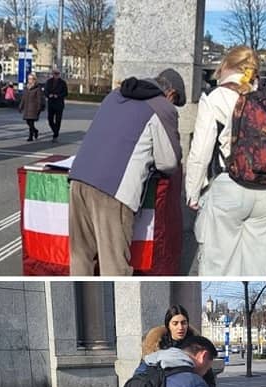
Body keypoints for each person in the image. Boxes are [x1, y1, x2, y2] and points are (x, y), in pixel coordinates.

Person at [68, 69, 186, 275]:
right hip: (114, 190)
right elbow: (169, 161)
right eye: (175, 102)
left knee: (80, 257)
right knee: (114, 266)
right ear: (171, 94)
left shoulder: (115, 95)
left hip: (79, 178)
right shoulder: (162, 107)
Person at [184, 46, 266, 276]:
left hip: (229, 187)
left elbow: (200, 153)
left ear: (226, 66)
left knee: (218, 268)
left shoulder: (215, 98)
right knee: (259, 269)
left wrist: (192, 192)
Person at [142, 305, 217, 387]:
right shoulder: (156, 347)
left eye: (184, 323)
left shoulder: (197, 345)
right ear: (168, 325)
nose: (180, 327)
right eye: (175, 323)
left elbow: (209, 378)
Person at [45, 69, 69, 142]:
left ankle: (55, 135)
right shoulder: (49, 82)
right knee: (50, 119)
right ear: (53, 74)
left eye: (57, 74)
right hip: (51, 103)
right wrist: (49, 95)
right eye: (55, 74)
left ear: (59, 74)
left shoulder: (63, 83)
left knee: (58, 120)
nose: (56, 75)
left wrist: (58, 96)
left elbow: (65, 93)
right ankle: (55, 131)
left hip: (59, 104)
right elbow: (45, 91)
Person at [19, 73, 44, 141]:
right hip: (27, 107)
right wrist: (20, 106)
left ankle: (30, 136)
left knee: (31, 122)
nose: (29, 80)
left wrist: (39, 108)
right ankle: (35, 131)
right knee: (28, 122)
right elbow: (23, 98)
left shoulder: (37, 88)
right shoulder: (26, 88)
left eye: (31, 79)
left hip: (33, 108)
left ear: (34, 80)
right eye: (28, 79)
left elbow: (39, 99)